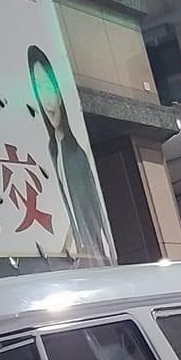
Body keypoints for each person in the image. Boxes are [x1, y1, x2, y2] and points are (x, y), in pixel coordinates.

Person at [27, 46, 114, 264]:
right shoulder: (53, 148)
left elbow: (96, 214)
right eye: (39, 89)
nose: (47, 101)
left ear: (58, 91)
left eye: (49, 87)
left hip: (95, 256)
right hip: (79, 257)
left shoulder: (77, 153)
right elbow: (72, 213)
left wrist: (108, 257)